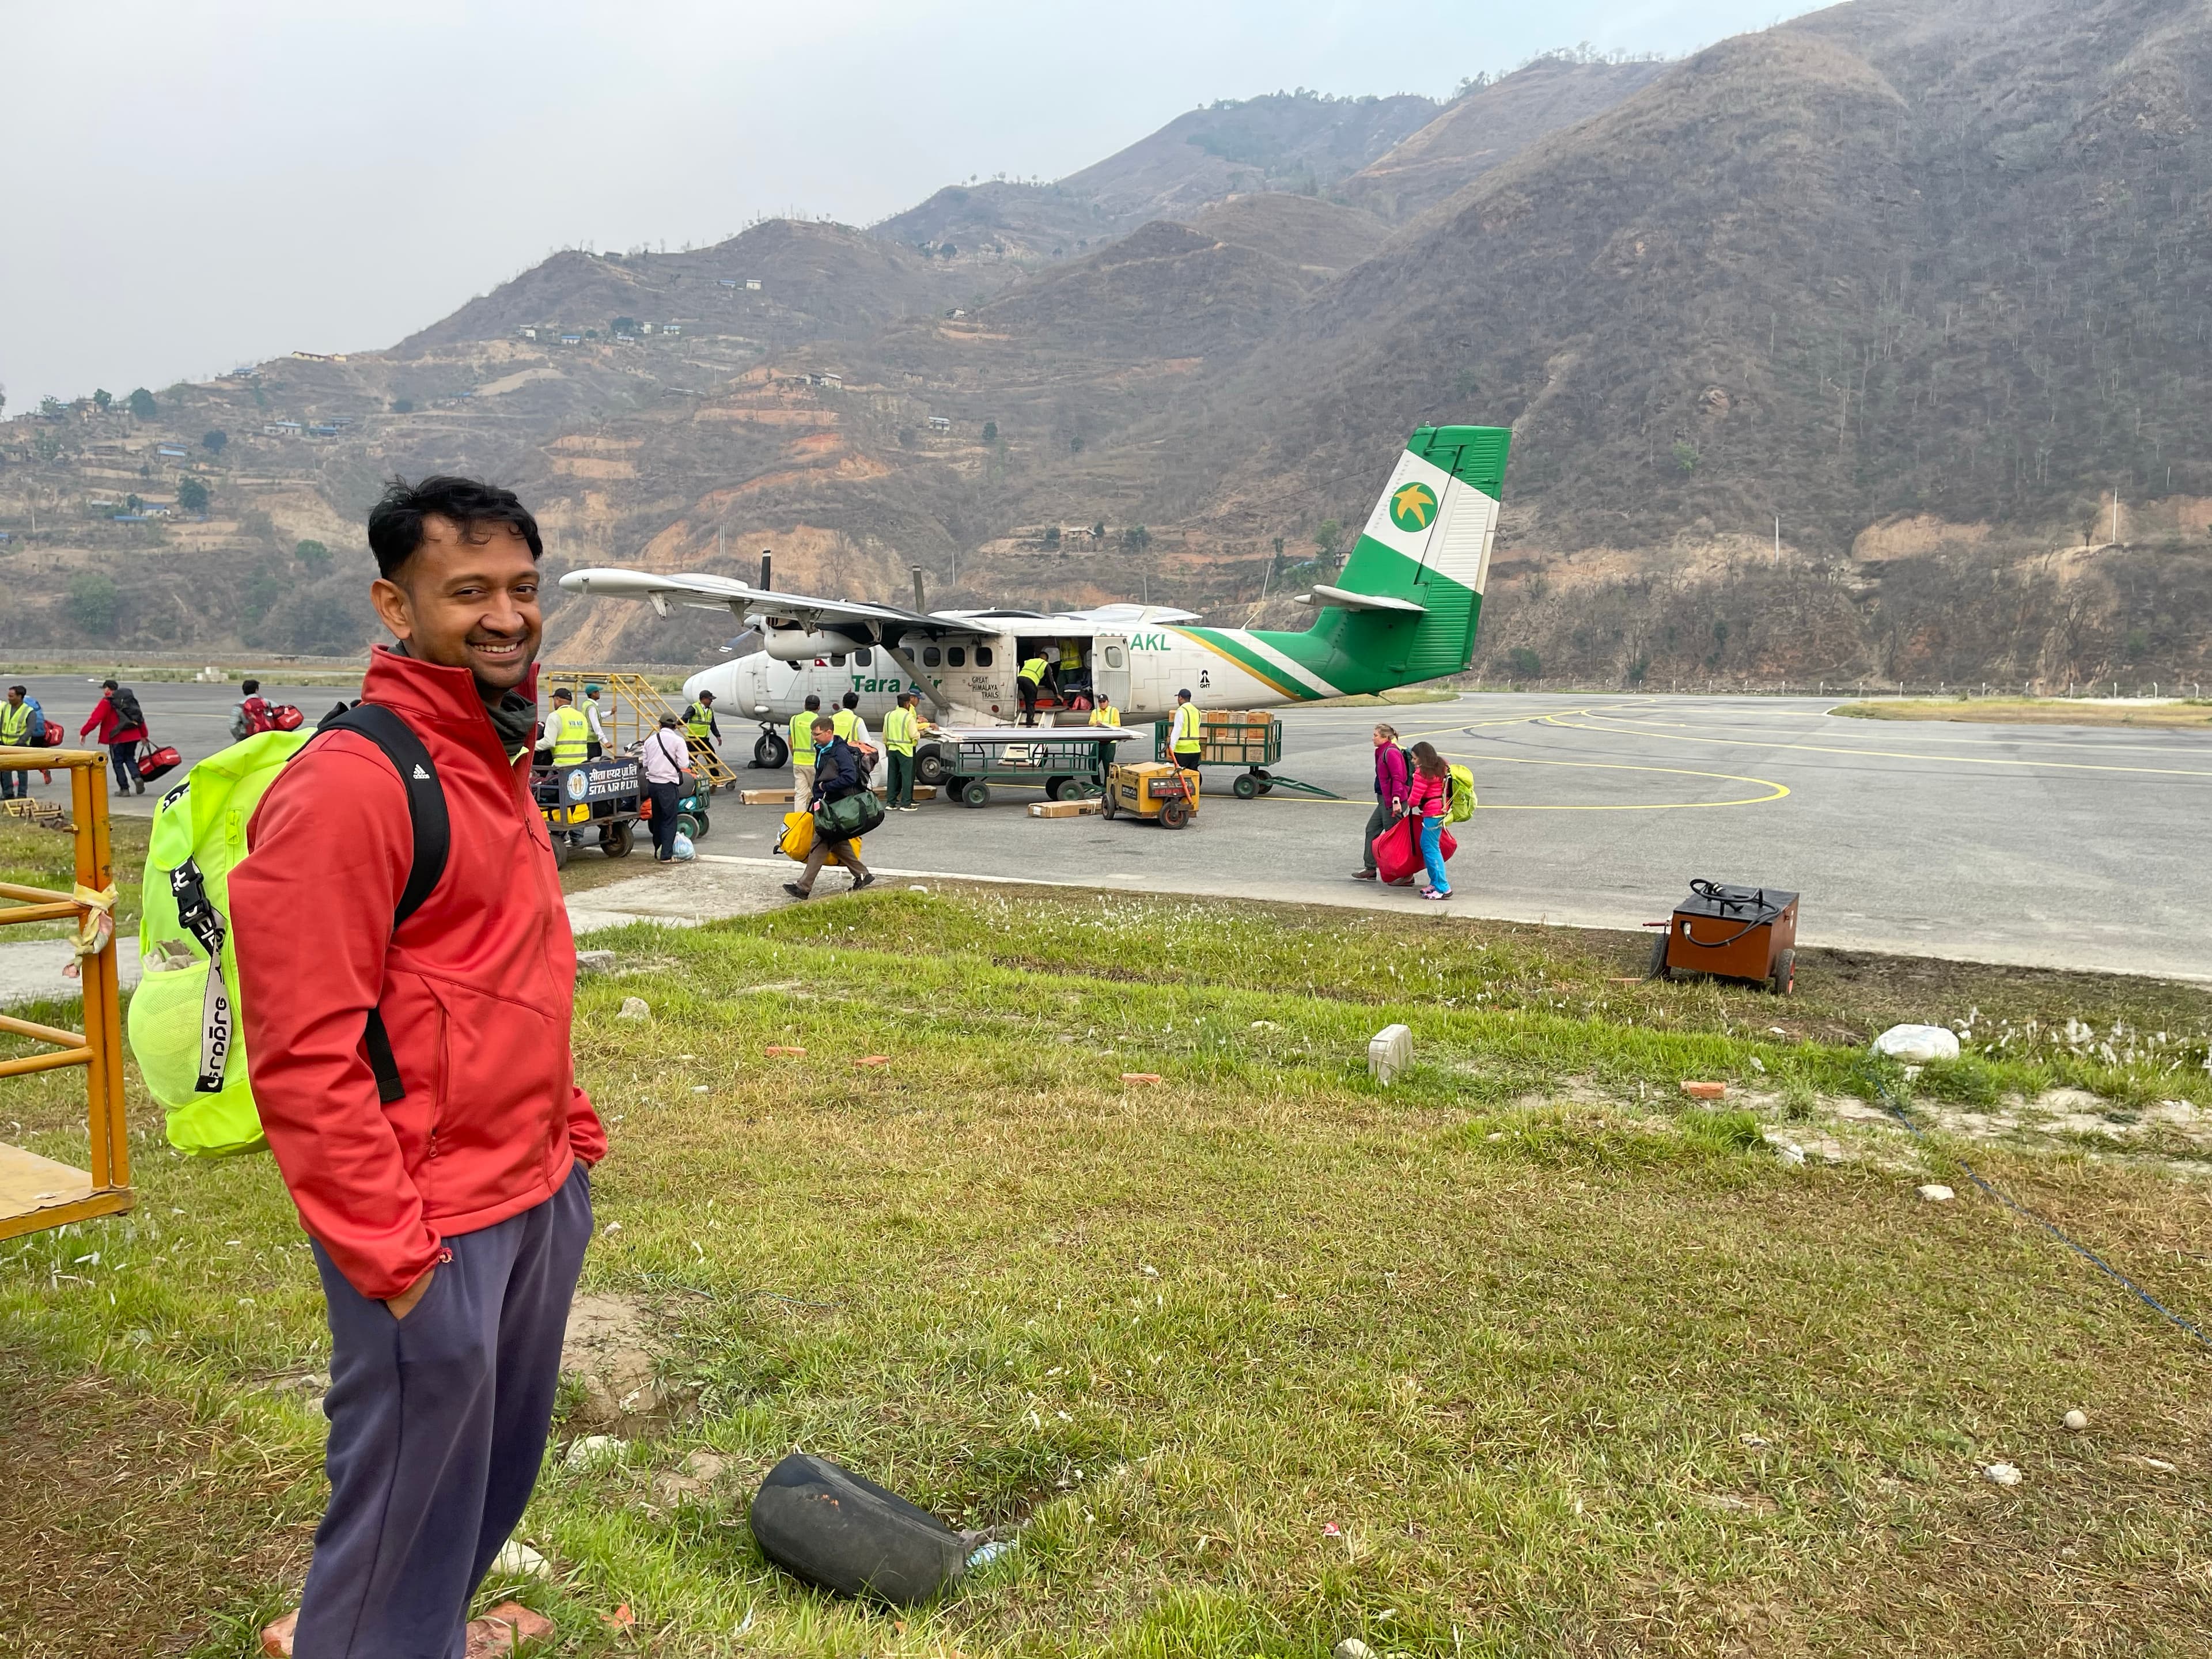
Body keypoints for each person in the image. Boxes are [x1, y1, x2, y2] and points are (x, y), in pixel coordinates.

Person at [228, 474, 603, 1658]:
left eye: (524, 588)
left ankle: (421, 1637)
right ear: (397, 606)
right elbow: (303, 1051)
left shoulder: (495, 754)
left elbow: (507, 968)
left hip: (533, 1187)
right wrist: (392, 1258)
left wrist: (571, 1138)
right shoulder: (351, 784)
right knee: (399, 1509)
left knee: (481, 1486)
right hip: (429, 1220)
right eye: (470, 592)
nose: (506, 616)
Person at [784, 714, 874, 899]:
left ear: (829, 733)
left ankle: (804, 887)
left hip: (835, 806)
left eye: (816, 734)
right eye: (813, 734)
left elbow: (849, 777)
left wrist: (826, 788)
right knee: (838, 844)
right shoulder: (824, 749)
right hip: (826, 803)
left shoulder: (840, 752)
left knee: (820, 843)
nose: (813, 737)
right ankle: (863, 875)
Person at [1354, 724, 1408, 881]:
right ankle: (1370, 868)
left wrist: (1396, 800)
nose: (1373, 738)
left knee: (1393, 838)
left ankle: (1404, 873)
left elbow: (1398, 778)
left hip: (1393, 801)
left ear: (1385, 738)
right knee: (1371, 829)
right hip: (1385, 799)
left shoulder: (1391, 753)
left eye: (1376, 735)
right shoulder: (1381, 751)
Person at [79, 677, 150, 795]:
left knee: (118, 762)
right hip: (133, 736)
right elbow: (139, 718)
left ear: (108, 689)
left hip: (117, 737)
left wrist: (84, 732)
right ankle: (137, 777)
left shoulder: (107, 702)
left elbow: (95, 720)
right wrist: (144, 735)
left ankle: (124, 789)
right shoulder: (129, 701)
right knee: (130, 758)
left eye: (104, 689)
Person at [638, 712, 691, 862]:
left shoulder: (650, 741)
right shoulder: (678, 741)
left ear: (659, 724)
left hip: (653, 785)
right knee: (669, 820)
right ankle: (666, 856)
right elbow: (683, 765)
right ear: (675, 726)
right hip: (668, 785)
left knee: (658, 819)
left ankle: (658, 850)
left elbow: (646, 764)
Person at [1404, 740, 1453, 900]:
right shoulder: (1441, 766)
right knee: (1429, 846)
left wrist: (1409, 801)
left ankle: (1442, 886)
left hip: (1432, 813)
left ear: (1422, 758)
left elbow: (1414, 799)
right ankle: (1435, 882)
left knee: (1431, 849)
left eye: (1414, 758)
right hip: (1441, 809)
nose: (1413, 761)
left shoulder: (1422, 774)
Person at [537, 686, 593, 767]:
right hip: (582, 765)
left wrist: (533, 746)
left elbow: (549, 743)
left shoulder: (555, 716)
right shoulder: (581, 716)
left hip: (562, 765)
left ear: (557, 699)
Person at [884, 690, 921, 812]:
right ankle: (906, 804)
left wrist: (887, 746)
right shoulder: (908, 716)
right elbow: (913, 734)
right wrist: (919, 735)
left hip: (892, 749)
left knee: (892, 776)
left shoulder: (888, 715)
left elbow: (884, 734)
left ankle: (891, 802)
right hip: (906, 750)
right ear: (906, 704)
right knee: (907, 777)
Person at [788, 693, 821, 808]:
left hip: (798, 762)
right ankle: (818, 819)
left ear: (805, 706)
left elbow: (791, 742)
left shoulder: (794, 720)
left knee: (800, 794)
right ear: (818, 708)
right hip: (814, 763)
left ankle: (800, 821)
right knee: (818, 794)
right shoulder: (819, 721)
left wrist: (795, 754)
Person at [0, 684, 31, 800]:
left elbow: (30, 729)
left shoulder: (28, 711)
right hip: (5, 744)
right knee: (4, 771)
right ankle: (8, 794)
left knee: (22, 771)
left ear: (20, 697)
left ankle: (22, 795)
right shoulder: (5, 708)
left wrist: (21, 742)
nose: (9, 698)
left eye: (12, 696)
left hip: (20, 746)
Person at [683, 688, 721, 775]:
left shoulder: (710, 710)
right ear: (703, 699)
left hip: (704, 739)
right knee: (691, 760)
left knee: (712, 757)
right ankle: (690, 777)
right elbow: (685, 718)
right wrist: (676, 724)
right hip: (693, 739)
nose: (711, 701)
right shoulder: (694, 708)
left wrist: (717, 736)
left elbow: (712, 724)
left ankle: (716, 778)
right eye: (710, 699)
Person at [1169, 688, 1204, 771]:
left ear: (1180, 698)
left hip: (1183, 751)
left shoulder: (1181, 711)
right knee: (1192, 776)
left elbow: (1177, 730)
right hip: (1196, 750)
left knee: (1181, 777)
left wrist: (1171, 747)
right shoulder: (1197, 712)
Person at [230, 678, 273, 742]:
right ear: (257, 690)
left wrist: (240, 738)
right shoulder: (267, 702)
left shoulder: (239, 707)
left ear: (244, 691)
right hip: (266, 738)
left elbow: (233, 726)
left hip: (248, 739)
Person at [1017, 652, 1049, 726]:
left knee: (1027, 694)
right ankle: (1029, 722)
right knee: (1031, 702)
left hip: (1019, 678)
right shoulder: (1044, 664)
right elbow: (1051, 681)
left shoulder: (1030, 661)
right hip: (1030, 681)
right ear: (1047, 660)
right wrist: (1056, 693)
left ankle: (1023, 701)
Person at [582, 683, 609, 759]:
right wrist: (605, 741)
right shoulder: (592, 707)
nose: (599, 693)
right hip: (592, 742)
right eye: (597, 692)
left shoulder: (586, 704)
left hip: (588, 740)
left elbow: (598, 716)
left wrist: (610, 713)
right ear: (593, 694)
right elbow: (596, 724)